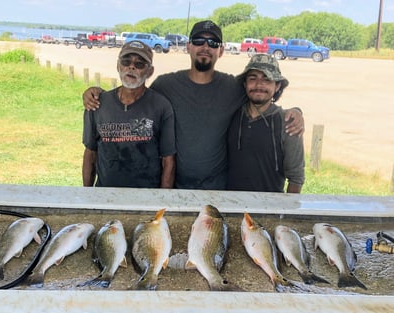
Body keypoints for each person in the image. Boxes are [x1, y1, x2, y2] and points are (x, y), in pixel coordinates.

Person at [83, 20, 304, 190]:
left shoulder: (233, 87)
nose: (205, 47)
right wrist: (97, 93)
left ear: (221, 50)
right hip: (175, 185)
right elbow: (135, 92)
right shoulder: (165, 85)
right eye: (198, 41)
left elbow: (261, 93)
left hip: (217, 188)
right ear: (189, 47)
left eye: (213, 43)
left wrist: (296, 112)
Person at [82, 40, 176, 188]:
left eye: (139, 64)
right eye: (126, 62)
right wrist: (86, 194)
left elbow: (168, 160)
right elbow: (90, 153)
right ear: (118, 66)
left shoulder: (161, 106)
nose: (131, 67)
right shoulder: (97, 103)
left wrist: (161, 201)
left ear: (150, 72)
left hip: (146, 196)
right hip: (105, 195)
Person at [227, 54, 305, 193]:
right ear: (245, 84)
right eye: (253, 78)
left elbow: (296, 178)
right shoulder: (230, 114)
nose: (259, 85)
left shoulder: (288, 123)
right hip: (229, 205)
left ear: (277, 86)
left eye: (267, 79)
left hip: (269, 208)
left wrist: (285, 213)